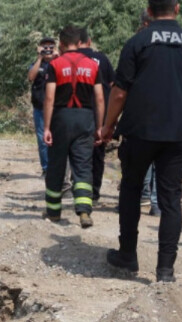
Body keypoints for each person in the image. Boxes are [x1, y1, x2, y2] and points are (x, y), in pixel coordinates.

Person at [100, 0, 182, 283]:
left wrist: (108, 126)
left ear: (149, 10)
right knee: (171, 197)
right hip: (178, 134)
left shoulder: (138, 42)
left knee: (132, 189)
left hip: (140, 131)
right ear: (178, 8)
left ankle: (127, 255)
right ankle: (165, 270)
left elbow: (120, 92)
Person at [42, 25, 104, 228]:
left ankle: (53, 212)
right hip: (85, 118)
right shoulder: (93, 65)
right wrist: (99, 126)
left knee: (56, 166)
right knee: (83, 166)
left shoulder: (55, 65)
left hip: (61, 118)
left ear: (60, 44)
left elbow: (49, 98)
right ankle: (84, 211)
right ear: (79, 43)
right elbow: (100, 99)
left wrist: (47, 127)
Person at [77, 28, 114, 203]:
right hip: (101, 111)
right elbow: (113, 85)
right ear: (89, 41)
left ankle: (80, 189)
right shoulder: (103, 59)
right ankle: (95, 191)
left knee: (79, 152)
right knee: (98, 153)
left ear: (77, 43)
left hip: (78, 112)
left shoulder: (71, 60)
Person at [29, 36, 59, 174]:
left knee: (58, 139)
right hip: (40, 107)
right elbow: (31, 77)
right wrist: (40, 58)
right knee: (42, 140)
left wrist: (58, 56)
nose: (48, 50)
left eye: (50, 47)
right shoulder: (37, 64)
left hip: (57, 108)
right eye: (45, 47)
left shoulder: (59, 62)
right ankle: (46, 168)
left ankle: (58, 167)